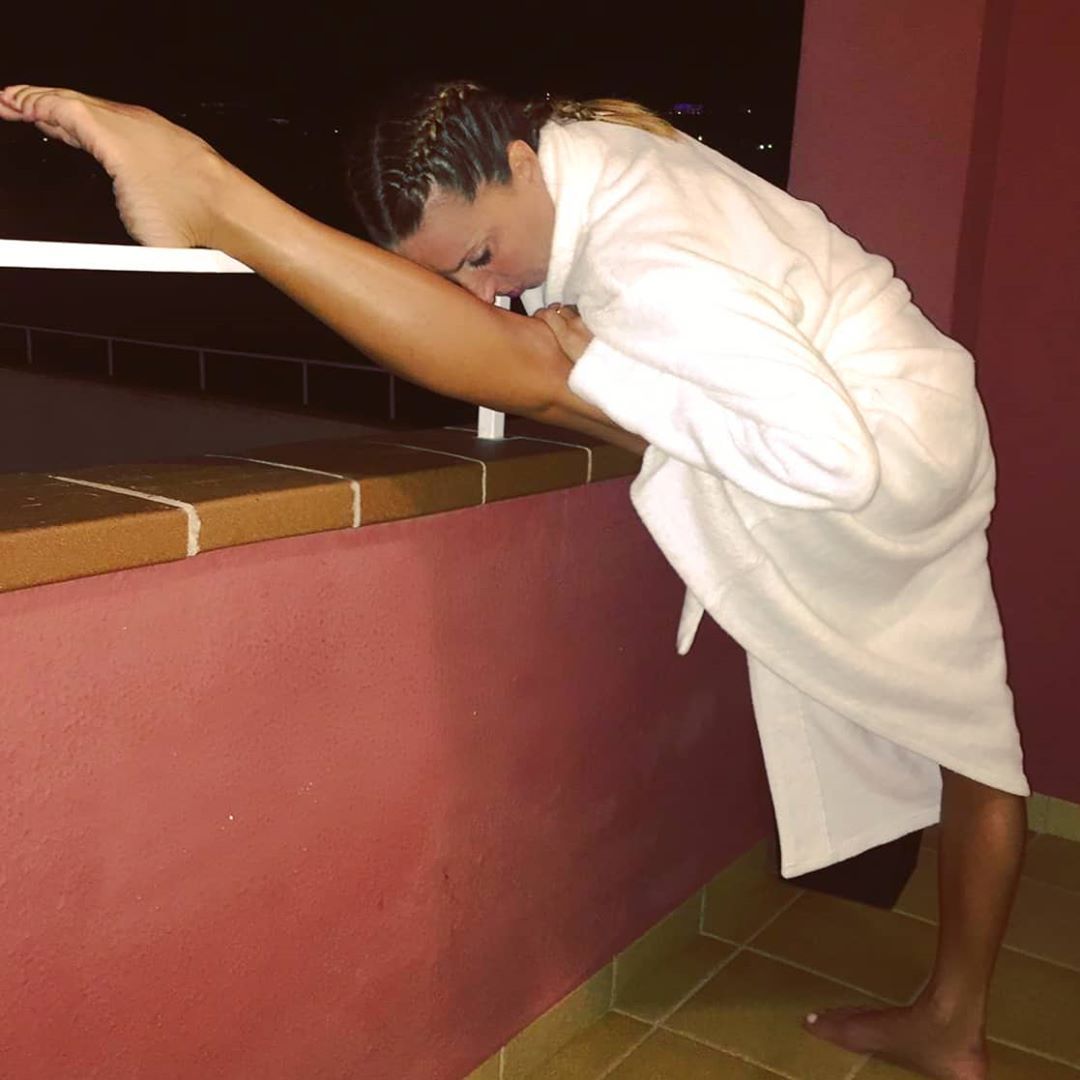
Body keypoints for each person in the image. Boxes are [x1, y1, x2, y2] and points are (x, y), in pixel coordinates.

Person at [0, 80, 1028, 1080]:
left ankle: (224, 206)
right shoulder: (588, 147)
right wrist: (595, 360)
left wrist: (596, 369)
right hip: (934, 422)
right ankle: (954, 1024)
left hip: (881, 455)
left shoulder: (652, 257)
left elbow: (834, 464)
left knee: (537, 365)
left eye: (481, 255)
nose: (484, 290)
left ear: (524, 164)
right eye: (452, 277)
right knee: (979, 745)